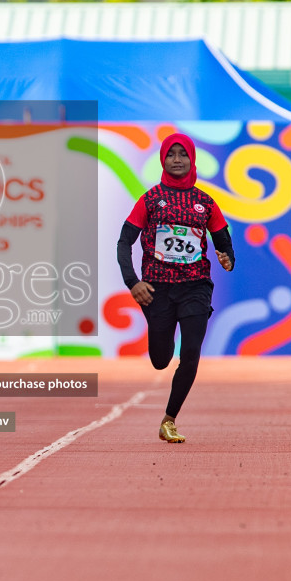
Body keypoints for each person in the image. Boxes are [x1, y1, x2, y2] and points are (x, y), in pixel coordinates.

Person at [117, 133, 235, 443]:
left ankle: (169, 419)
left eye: (184, 154)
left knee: (191, 351)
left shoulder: (206, 202)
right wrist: (133, 282)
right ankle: (158, 335)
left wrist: (227, 258)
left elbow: (224, 244)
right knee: (160, 358)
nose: (178, 159)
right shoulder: (150, 199)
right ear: (163, 160)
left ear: (193, 159)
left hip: (195, 285)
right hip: (156, 288)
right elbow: (124, 242)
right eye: (172, 154)